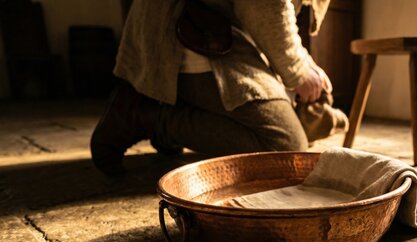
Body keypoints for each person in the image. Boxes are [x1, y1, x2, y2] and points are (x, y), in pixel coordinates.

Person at [91, 0, 340, 175]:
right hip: (192, 26)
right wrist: (296, 70)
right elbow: (262, 6)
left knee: (289, 116)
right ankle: (149, 117)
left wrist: (305, 62)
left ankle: (173, 105)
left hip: (219, 27)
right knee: (285, 149)